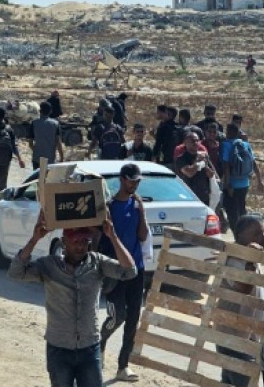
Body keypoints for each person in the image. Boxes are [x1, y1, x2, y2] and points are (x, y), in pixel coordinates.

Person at [10, 213, 137, 387]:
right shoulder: (49, 266)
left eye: (84, 241)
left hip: (89, 349)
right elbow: (16, 272)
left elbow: (130, 271)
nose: (80, 246)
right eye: (76, 241)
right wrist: (34, 239)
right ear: (64, 242)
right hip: (59, 349)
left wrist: (113, 237)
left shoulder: (97, 263)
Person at [97, 163, 149, 382]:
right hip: (114, 271)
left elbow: (143, 236)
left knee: (133, 318)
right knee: (118, 315)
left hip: (136, 269)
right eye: (131, 180)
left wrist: (142, 212)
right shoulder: (108, 206)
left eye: (137, 181)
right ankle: (99, 345)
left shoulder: (136, 205)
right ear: (122, 179)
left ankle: (123, 365)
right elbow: (99, 240)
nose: (134, 185)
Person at [217, 215, 264, 387]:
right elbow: (244, 288)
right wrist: (250, 263)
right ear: (240, 236)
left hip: (247, 337)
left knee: (229, 382)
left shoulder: (253, 258)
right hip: (234, 338)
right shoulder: (234, 260)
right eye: (257, 233)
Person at [221, 123, 264, 233]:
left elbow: (226, 166)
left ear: (228, 132)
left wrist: (227, 184)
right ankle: (246, 232)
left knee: (231, 210)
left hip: (232, 184)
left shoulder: (226, 145)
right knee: (241, 208)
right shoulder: (246, 145)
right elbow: (253, 163)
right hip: (244, 183)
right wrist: (260, 180)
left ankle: (238, 235)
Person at [176, 131, 216, 206]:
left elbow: (211, 174)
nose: (196, 143)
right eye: (192, 141)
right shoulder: (181, 159)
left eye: (197, 140)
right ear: (185, 143)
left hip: (203, 196)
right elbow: (189, 173)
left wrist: (205, 165)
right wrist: (197, 161)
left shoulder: (204, 156)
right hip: (188, 196)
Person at [28, 101, 64, 169]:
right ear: (50, 111)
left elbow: (30, 143)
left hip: (37, 159)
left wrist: (36, 150)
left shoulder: (34, 123)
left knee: (37, 179)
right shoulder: (55, 124)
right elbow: (58, 143)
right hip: (50, 159)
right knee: (47, 178)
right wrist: (61, 158)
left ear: (40, 111)